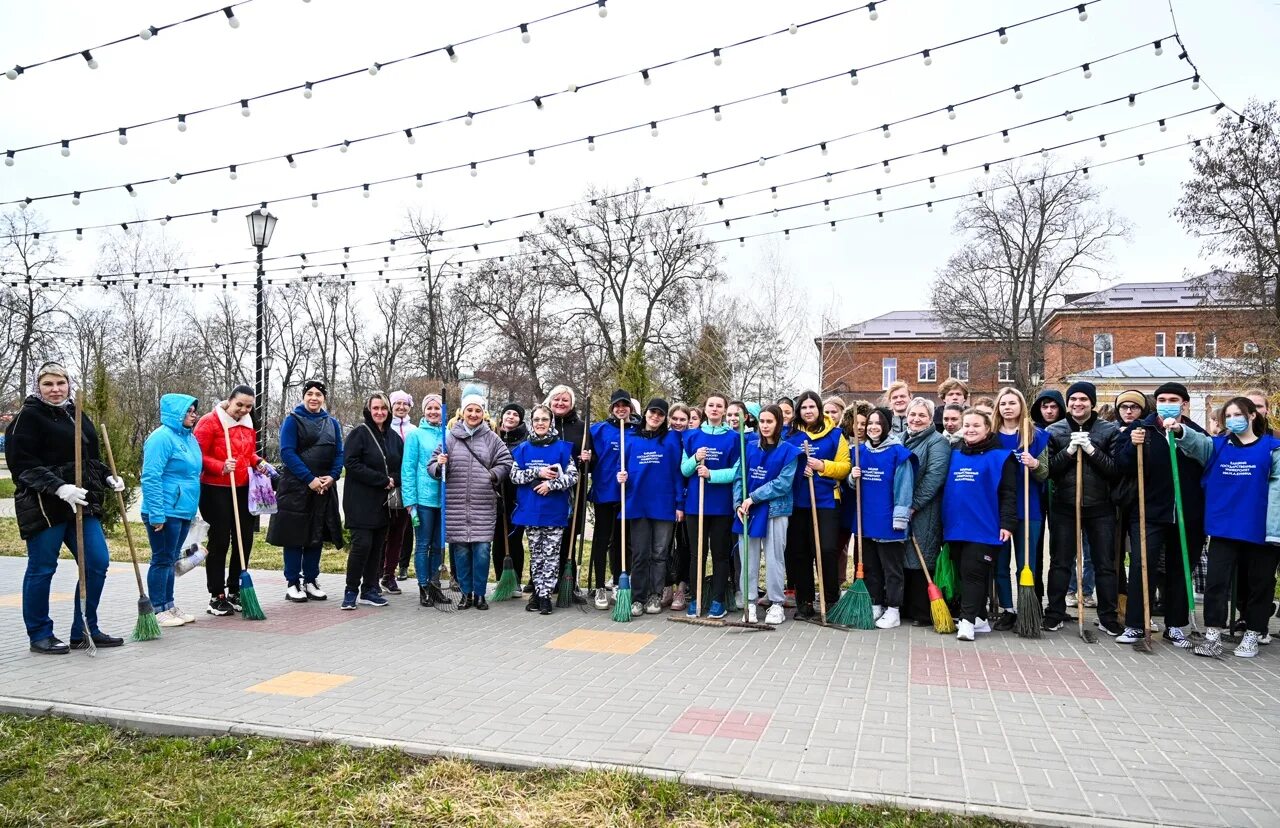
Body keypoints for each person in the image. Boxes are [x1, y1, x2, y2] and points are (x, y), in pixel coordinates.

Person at [5, 362, 125, 653]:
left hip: (81, 503)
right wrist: (59, 487)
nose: (56, 390)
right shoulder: (27, 418)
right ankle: (40, 634)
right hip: (44, 505)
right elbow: (22, 465)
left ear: (69, 384)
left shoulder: (76, 413)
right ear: (38, 387)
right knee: (43, 567)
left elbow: (90, 457)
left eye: (60, 383)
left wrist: (108, 475)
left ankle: (84, 628)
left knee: (97, 562)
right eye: (48, 384)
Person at [1174, 397, 1280, 657]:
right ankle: (1213, 635)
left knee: (1259, 584)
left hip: (1260, 530)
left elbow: (1277, 492)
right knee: (1216, 583)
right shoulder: (1218, 446)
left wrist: (1275, 530)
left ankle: (1253, 634)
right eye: (1228, 416)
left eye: (1238, 414)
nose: (1233, 420)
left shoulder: (1272, 448)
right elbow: (1196, 443)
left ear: (1252, 415)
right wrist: (1179, 430)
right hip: (1224, 527)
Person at [1115, 382, 1209, 648]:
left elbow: (1206, 461)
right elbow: (1121, 465)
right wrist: (1132, 446)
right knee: (1142, 567)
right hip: (1149, 511)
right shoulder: (1141, 429)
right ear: (1156, 403)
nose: (1168, 403)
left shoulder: (1195, 432)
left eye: (1174, 399)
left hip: (1187, 513)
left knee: (1180, 570)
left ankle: (1175, 626)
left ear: (1184, 404)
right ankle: (1135, 624)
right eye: (1162, 399)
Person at [1043, 381, 1124, 636]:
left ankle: (1108, 616)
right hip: (1065, 505)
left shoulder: (1109, 431)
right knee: (1060, 562)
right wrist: (1068, 451)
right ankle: (1054, 613)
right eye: (1073, 399)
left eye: (1083, 399)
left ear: (1092, 403)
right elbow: (1050, 471)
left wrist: (1090, 450)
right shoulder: (1054, 431)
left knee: (1105, 563)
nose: (1078, 404)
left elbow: (1114, 470)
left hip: (1100, 506)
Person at [430, 389, 513, 610]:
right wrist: (440, 463)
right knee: (461, 552)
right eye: (469, 410)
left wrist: (493, 475)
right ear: (462, 412)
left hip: (483, 504)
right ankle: (466, 593)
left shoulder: (492, 438)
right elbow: (432, 467)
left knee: (482, 550)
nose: (473, 414)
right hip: (456, 505)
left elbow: (506, 462)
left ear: (483, 414)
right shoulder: (449, 438)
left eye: (478, 410)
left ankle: (480, 594)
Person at [193, 386, 272, 616]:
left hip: (243, 486)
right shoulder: (210, 421)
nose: (243, 410)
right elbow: (197, 454)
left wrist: (257, 461)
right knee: (220, 540)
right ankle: (216, 595)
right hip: (215, 488)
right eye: (239, 405)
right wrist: (220, 466)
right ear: (229, 401)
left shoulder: (248, 424)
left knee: (244, 538)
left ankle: (236, 589)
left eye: (248, 406)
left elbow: (247, 454)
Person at [941, 409, 1018, 641]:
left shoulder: (1001, 457)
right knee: (963, 574)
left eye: (976, 425)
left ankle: (966, 622)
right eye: (967, 425)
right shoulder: (954, 454)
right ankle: (981, 618)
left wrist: (1007, 523)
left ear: (987, 429)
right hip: (956, 526)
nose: (971, 429)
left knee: (973, 573)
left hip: (984, 526)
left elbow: (1008, 494)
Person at [268, 379, 344, 602]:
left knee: (316, 536)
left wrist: (332, 476)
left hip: (323, 487)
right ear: (303, 396)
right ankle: (293, 582)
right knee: (295, 536)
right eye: (309, 393)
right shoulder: (292, 420)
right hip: (296, 487)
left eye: (318, 394)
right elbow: (287, 453)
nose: (314, 397)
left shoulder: (332, 423)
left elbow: (339, 453)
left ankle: (311, 579)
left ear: (324, 398)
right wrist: (309, 479)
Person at [785, 390, 852, 619]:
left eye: (812, 407)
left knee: (826, 550)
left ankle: (830, 600)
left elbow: (845, 467)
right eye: (803, 407)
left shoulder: (835, 435)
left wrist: (822, 465)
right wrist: (797, 469)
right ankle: (804, 602)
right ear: (799, 411)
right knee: (800, 553)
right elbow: (781, 464)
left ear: (819, 409)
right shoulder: (790, 435)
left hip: (826, 501)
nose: (808, 411)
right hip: (797, 502)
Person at [848, 407, 916, 629]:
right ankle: (875, 603)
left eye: (878, 423)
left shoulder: (898, 453)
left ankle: (894, 609)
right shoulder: (859, 452)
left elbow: (904, 487)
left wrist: (900, 518)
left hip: (888, 520)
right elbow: (852, 486)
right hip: (866, 518)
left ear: (887, 426)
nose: (873, 427)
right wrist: (852, 477)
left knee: (891, 569)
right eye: (869, 424)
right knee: (871, 567)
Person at [990, 388, 1050, 631]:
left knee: (1027, 563)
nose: (1007, 407)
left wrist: (1034, 464)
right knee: (1000, 563)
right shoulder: (991, 437)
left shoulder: (1036, 436)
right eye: (1003, 403)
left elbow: (1045, 473)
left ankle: (1028, 609)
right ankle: (1008, 609)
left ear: (1021, 406)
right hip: (998, 510)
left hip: (1029, 507)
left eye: (1012, 403)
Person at [140, 394, 203, 628]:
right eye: (189, 411)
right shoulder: (161, 438)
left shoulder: (189, 439)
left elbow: (192, 473)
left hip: (183, 510)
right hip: (165, 510)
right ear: (176, 413)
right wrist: (157, 513)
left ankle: (169, 604)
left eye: (194, 410)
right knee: (162, 559)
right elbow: (151, 476)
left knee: (172, 559)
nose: (193, 414)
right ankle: (158, 609)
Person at [735, 404, 801, 625]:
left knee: (774, 559)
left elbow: (783, 484)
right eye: (762, 421)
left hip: (775, 511)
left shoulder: (789, 451)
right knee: (749, 558)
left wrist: (753, 497)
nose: (764, 425)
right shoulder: (749, 447)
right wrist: (738, 504)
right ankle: (750, 602)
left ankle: (776, 604)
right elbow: (739, 477)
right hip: (748, 512)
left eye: (769, 421)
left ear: (778, 423)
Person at [510, 404, 578, 615]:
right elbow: (514, 476)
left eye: (544, 420)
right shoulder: (522, 449)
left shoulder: (562, 448)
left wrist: (552, 484)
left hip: (554, 511)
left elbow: (573, 476)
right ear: (532, 422)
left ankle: (546, 595)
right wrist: (537, 472)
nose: (540, 423)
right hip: (530, 510)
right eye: (537, 419)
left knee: (551, 555)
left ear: (551, 423)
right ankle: (538, 593)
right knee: (537, 555)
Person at [618, 399, 683, 616]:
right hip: (638, 503)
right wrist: (621, 478)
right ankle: (638, 597)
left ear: (665, 418)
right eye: (652, 413)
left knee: (659, 553)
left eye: (660, 414)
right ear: (645, 414)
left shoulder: (672, 439)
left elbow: (677, 473)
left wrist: (679, 504)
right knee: (640, 553)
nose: (655, 417)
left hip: (664, 504)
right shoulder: (630, 439)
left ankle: (655, 594)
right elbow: (623, 469)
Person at [680, 393, 742, 619]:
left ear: (725, 410)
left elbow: (737, 471)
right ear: (705, 409)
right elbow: (684, 470)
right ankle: (697, 598)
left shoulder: (734, 439)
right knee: (697, 554)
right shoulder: (691, 436)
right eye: (711, 405)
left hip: (721, 506)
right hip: (696, 506)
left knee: (720, 554)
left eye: (719, 406)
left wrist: (711, 474)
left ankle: (717, 600)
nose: (715, 409)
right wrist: (695, 459)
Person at [340, 393, 403, 610]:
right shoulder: (359, 433)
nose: (380, 412)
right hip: (360, 500)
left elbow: (400, 465)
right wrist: (381, 479)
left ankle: (370, 588)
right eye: (376, 408)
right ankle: (350, 590)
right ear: (369, 409)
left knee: (377, 546)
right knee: (362, 545)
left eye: (383, 408)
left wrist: (394, 478)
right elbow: (351, 462)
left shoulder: (394, 437)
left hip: (383, 503)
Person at [902, 397, 952, 626]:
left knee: (922, 554)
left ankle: (923, 611)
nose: (916, 419)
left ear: (931, 419)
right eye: (913, 415)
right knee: (904, 556)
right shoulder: (900, 440)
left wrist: (913, 504)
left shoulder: (937, 442)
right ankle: (906, 607)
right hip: (903, 507)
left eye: (922, 415)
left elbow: (935, 477)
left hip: (925, 509)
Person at [586, 390, 633, 609]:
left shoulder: (635, 431)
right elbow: (587, 456)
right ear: (611, 408)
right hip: (604, 492)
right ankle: (598, 586)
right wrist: (586, 457)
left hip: (627, 493)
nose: (621, 408)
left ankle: (617, 581)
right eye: (617, 405)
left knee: (622, 540)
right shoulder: (598, 430)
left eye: (625, 405)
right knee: (601, 539)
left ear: (630, 409)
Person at [547, 385, 591, 600]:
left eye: (565, 400)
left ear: (572, 403)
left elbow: (593, 463)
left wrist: (587, 459)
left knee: (569, 536)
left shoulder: (582, 429)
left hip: (573, 490)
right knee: (547, 535)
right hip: (547, 490)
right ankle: (544, 580)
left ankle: (567, 580)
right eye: (556, 399)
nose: (560, 403)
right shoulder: (544, 424)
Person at [402, 394, 445, 607]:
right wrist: (410, 502)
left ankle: (435, 585)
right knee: (423, 545)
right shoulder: (415, 436)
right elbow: (408, 469)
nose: (433, 412)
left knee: (438, 545)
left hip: (443, 499)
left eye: (437, 408)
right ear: (423, 410)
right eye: (429, 408)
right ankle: (423, 586)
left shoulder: (448, 434)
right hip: (423, 499)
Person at [381, 390, 416, 590]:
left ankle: (392, 571)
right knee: (381, 531)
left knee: (400, 531)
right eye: (397, 404)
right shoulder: (385, 429)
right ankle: (377, 571)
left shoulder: (414, 430)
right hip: (385, 485)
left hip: (404, 487)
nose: (401, 407)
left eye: (405, 404)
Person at [493, 403, 529, 590]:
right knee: (498, 538)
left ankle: (515, 581)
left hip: (517, 497)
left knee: (514, 538)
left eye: (516, 414)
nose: (511, 416)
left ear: (520, 419)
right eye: (508, 413)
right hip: (496, 495)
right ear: (502, 416)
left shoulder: (525, 441)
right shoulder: (493, 436)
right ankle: (501, 579)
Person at [667, 403, 692, 610]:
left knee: (684, 545)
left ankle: (682, 588)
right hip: (666, 497)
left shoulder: (692, 438)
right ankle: (666, 585)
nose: (678, 423)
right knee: (665, 546)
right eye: (674, 418)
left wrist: (681, 502)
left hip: (687, 497)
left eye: (682, 419)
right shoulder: (664, 438)